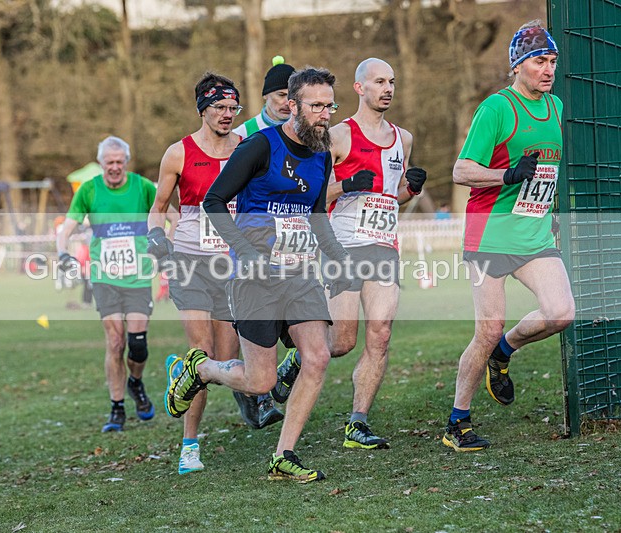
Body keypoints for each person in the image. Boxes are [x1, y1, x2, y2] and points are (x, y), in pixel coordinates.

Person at [167, 67, 353, 483]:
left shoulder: (322, 155)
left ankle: (283, 455)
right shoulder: (259, 146)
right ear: (293, 105)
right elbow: (213, 202)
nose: (326, 115)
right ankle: (200, 371)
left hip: (299, 274)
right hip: (254, 276)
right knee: (259, 380)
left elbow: (317, 214)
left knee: (318, 356)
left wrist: (337, 257)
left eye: (330, 106)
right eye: (317, 106)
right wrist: (247, 252)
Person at [275, 58, 427, 450]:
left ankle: (357, 423)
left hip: (384, 248)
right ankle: (295, 359)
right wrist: (345, 185)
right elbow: (308, 197)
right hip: (341, 248)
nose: (387, 88)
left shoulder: (402, 139)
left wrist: (412, 189)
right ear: (360, 88)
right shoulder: (338, 136)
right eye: (379, 81)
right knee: (341, 341)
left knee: (380, 334)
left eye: (392, 81)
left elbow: (392, 196)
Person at [444, 20, 574, 451]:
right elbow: (461, 170)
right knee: (485, 328)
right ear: (518, 65)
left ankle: (504, 351)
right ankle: (457, 423)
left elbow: (549, 173)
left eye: (552, 61)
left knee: (561, 313)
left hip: (535, 234)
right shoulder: (497, 108)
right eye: (540, 61)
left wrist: (550, 210)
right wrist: (507, 175)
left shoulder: (555, 108)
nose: (548, 69)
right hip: (490, 236)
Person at [148, 72, 283, 476]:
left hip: (233, 264)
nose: (227, 115)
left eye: (233, 108)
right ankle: (190, 445)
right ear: (202, 109)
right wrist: (157, 236)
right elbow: (158, 205)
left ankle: (197, 376)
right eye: (220, 108)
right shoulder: (178, 153)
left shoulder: (248, 149)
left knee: (225, 359)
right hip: (189, 262)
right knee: (202, 354)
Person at [56, 136, 158, 432]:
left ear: (126, 161)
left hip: (138, 276)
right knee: (115, 342)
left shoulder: (143, 187)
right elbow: (67, 228)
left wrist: (168, 247)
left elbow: (171, 217)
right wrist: (62, 252)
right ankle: (117, 407)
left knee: (137, 346)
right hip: (104, 277)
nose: (114, 167)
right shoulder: (89, 190)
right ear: (101, 163)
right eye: (108, 162)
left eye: (119, 162)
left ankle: (135, 383)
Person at [233, 56, 295, 138]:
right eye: (281, 95)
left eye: (293, 96)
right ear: (265, 95)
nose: (288, 103)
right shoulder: (243, 133)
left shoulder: (308, 130)